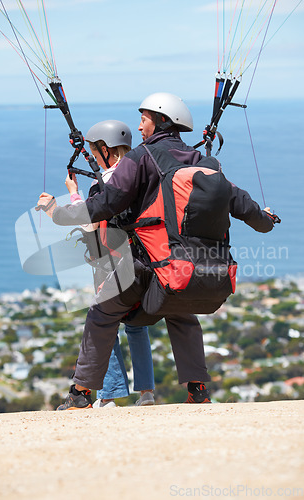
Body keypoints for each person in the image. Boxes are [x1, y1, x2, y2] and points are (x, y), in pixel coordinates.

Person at [37, 92, 275, 409]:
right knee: (180, 312)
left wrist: (59, 214)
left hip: (144, 264)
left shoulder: (141, 157)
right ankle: (198, 390)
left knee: (102, 313)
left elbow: (105, 203)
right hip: (189, 269)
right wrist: (268, 220)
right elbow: (247, 209)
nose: (140, 125)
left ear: (162, 121)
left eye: (144, 118)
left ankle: (81, 393)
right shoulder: (205, 163)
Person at [68, 119, 155, 408]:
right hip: (147, 260)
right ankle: (146, 392)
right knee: (137, 325)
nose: (93, 158)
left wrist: (73, 193)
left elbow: (89, 221)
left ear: (106, 150)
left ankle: (111, 394)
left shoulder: (103, 184)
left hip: (112, 263)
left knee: (105, 325)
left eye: (94, 153)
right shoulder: (141, 176)